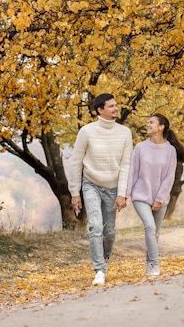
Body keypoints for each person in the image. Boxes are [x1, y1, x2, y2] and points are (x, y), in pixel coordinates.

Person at [69, 93, 133, 286]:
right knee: (95, 226)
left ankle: (104, 258)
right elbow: (76, 163)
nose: (116, 108)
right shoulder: (86, 132)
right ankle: (99, 270)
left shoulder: (125, 133)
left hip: (113, 187)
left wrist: (122, 193)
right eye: (111, 106)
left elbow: (126, 165)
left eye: (116, 105)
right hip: (91, 184)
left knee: (110, 231)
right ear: (100, 110)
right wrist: (74, 193)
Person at [127, 113, 184, 276]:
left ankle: (149, 263)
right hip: (140, 195)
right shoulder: (140, 147)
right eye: (148, 122)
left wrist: (160, 199)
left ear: (161, 127)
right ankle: (155, 264)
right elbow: (132, 172)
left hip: (161, 198)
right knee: (150, 226)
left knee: (155, 232)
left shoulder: (169, 150)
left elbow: (169, 177)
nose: (147, 125)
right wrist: (125, 195)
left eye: (151, 122)